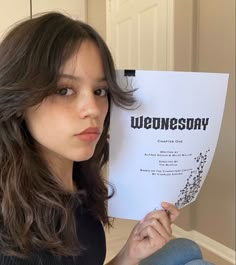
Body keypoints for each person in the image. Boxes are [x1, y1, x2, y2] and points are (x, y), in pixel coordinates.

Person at [0, 12, 214, 265]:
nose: (93, 108)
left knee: (186, 248)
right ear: (19, 100)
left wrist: (129, 253)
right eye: (64, 90)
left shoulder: (79, 178)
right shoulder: (10, 232)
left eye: (99, 91)